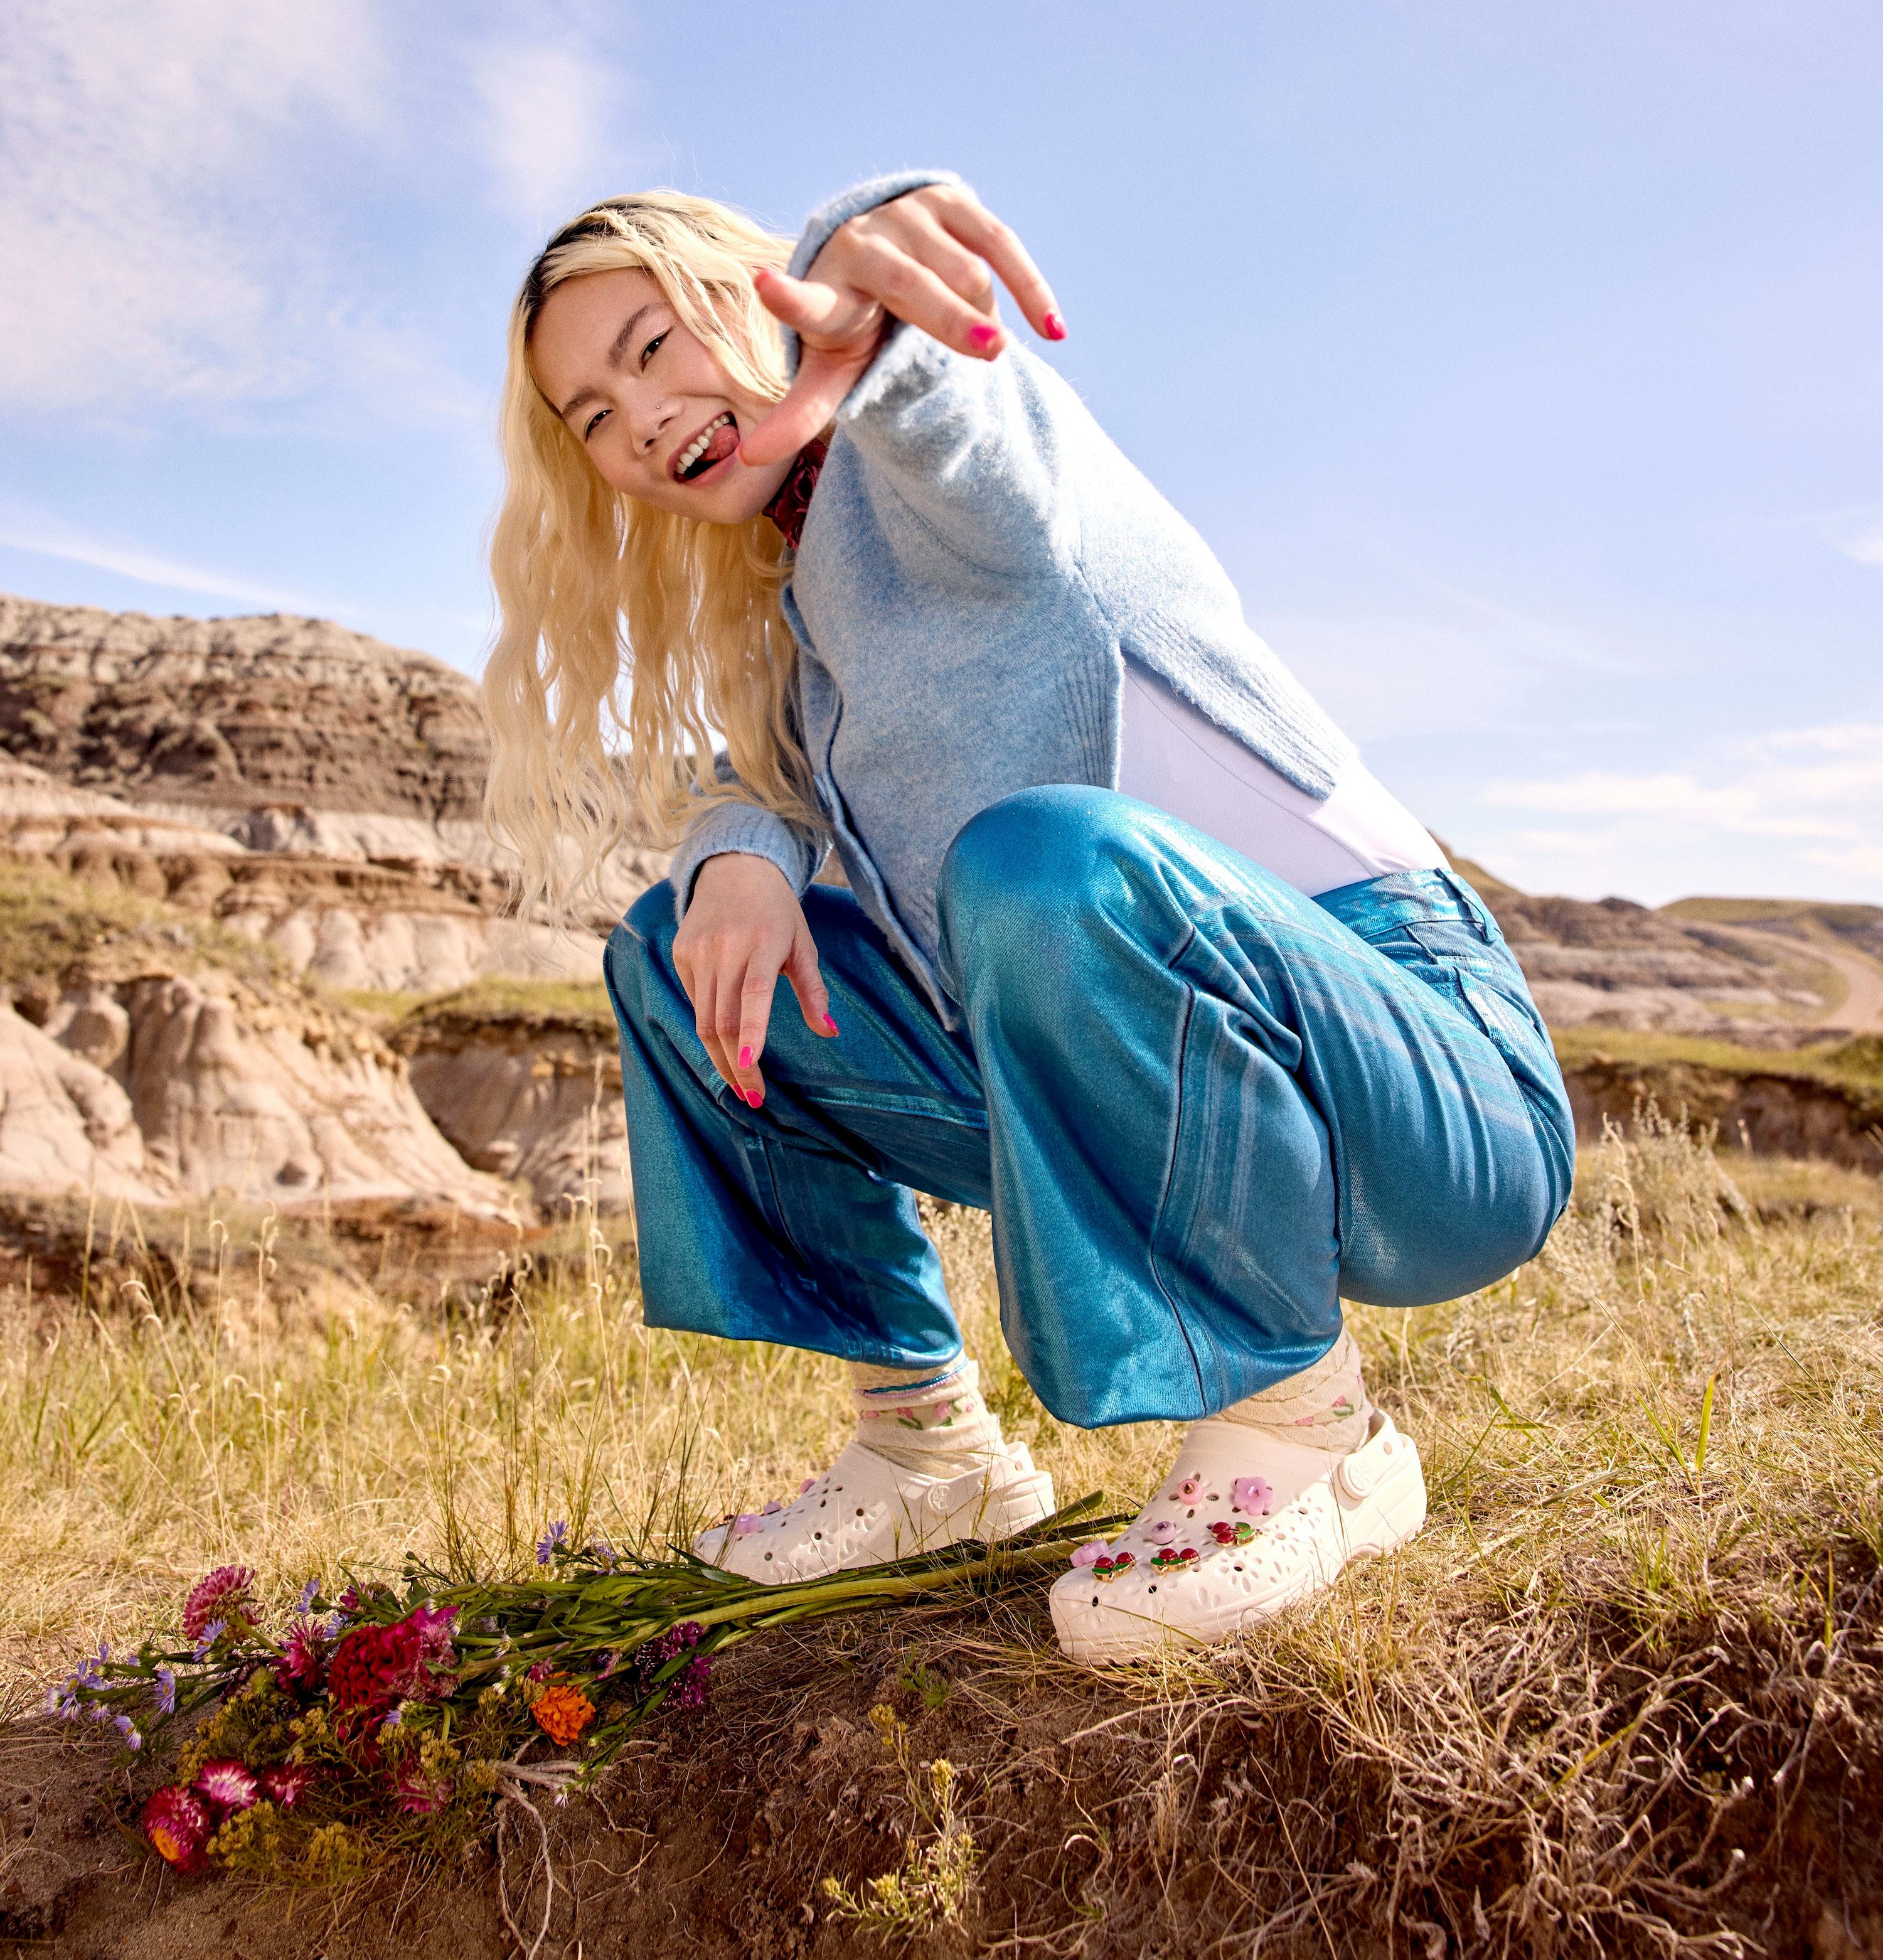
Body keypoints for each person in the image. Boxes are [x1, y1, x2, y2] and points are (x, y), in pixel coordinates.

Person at [484, 169, 1574, 1666]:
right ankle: (930, 1455)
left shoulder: (956, 467)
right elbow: (783, 771)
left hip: (1433, 1101)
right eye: (592, 414)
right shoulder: (798, 603)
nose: (639, 418)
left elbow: (974, 445)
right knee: (665, 957)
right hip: (1139, 1092)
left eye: (653, 343)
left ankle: (1307, 1432)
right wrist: (741, 850)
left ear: (763, 304)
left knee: (1038, 860)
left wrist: (865, 282)